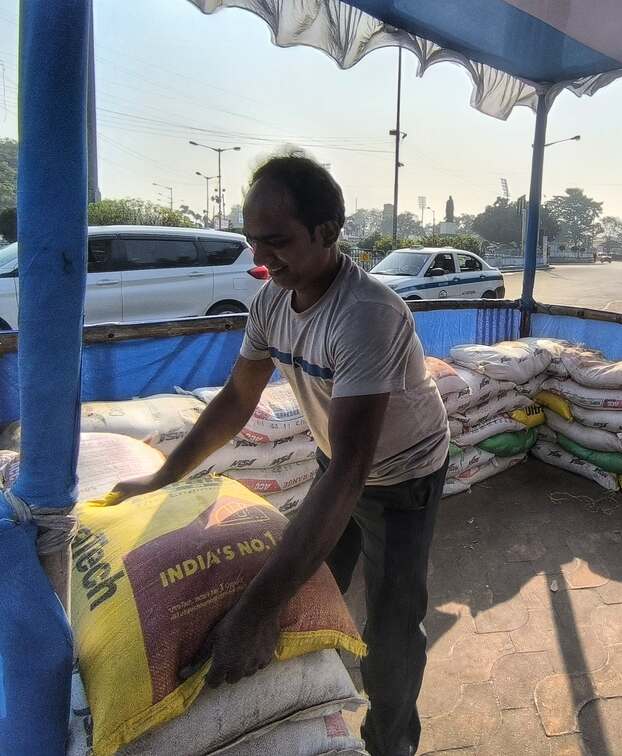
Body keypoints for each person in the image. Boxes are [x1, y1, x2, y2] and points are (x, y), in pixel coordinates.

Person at [112, 155, 450, 756]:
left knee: (393, 627)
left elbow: (353, 470)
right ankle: (314, 707)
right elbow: (237, 398)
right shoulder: (272, 300)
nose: (262, 256)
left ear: (328, 232)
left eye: (277, 240)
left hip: (403, 477)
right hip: (337, 461)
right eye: (252, 240)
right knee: (310, 587)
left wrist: (253, 613)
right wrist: (162, 477)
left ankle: (391, 744)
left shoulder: (367, 314)